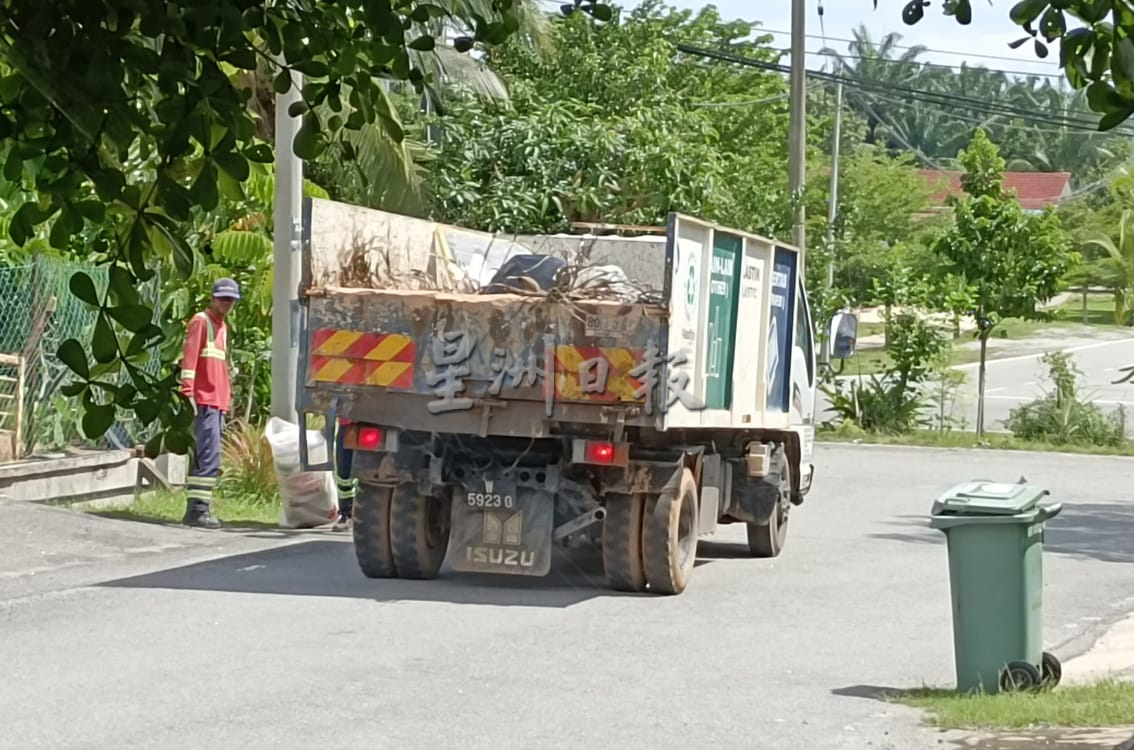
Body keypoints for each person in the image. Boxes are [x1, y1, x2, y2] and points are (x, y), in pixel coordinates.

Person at [179, 278, 240, 529]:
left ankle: (196, 510)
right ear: (212, 298)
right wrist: (188, 393)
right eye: (222, 298)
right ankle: (198, 511)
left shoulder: (222, 327)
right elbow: (190, 357)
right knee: (208, 457)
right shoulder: (201, 321)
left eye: (230, 300)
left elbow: (219, 366)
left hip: (216, 400)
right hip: (204, 399)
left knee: (208, 455)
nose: (226, 304)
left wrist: (227, 398)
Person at [332, 418, 356, 531]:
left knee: (345, 469)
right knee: (344, 472)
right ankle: (347, 512)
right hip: (348, 422)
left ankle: (348, 513)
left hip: (358, 421)